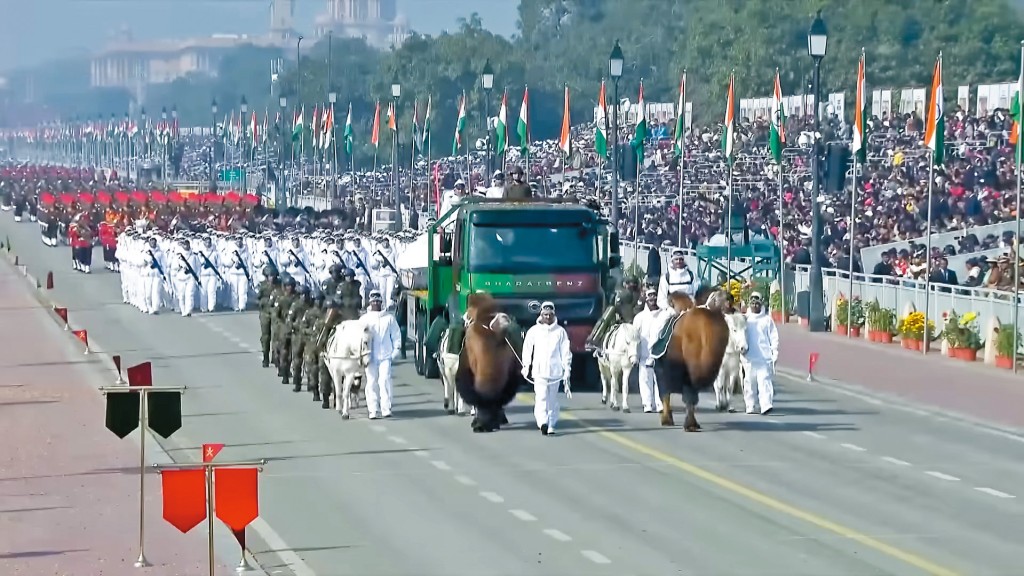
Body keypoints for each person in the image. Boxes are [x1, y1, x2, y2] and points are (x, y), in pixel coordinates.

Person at [520, 301, 572, 436]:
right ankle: (542, 422)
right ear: (541, 314)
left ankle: (551, 423)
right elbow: (527, 349)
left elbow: (565, 352)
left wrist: (567, 369)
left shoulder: (560, 332)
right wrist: (526, 365)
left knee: (552, 399)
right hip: (539, 371)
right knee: (541, 397)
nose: (547, 317)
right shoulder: (534, 331)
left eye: (550, 314)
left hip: (555, 372)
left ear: (553, 314)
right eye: (545, 314)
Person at [362, 289, 402, 419]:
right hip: (370, 357)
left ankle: (386, 408)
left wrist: (395, 352)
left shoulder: (389, 318)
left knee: (384, 381)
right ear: (370, 302)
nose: (375, 304)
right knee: (371, 382)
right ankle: (373, 409)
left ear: (381, 302)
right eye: (373, 302)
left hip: (385, 356)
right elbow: (360, 339)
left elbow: (396, 335)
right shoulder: (364, 319)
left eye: (378, 302)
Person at [586, 276, 643, 355]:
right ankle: (595, 337)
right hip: (631, 318)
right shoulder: (638, 294)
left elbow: (621, 308)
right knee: (610, 310)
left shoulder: (632, 295)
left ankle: (595, 338)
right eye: (630, 283)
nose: (631, 286)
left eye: (632, 283)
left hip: (634, 320)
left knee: (610, 310)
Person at [743, 291, 779, 415]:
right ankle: (750, 405)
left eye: (757, 303)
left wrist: (775, 352)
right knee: (749, 382)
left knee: (764, 381)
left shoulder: (767, 320)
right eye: (752, 303)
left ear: (761, 303)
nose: (755, 305)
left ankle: (766, 405)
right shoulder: (745, 319)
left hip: (764, 357)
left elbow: (774, 337)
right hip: (749, 358)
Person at [632, 288, 666, 413]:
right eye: (650, 296)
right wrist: (635, 354)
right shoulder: (639, 317)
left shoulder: (664, 315)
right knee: (645, 379)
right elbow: (634, 338)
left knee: (659, 381)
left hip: (660, 355)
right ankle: (647, 404)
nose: (652, 298)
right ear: (646, 298)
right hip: (644, 354)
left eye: (654, 295)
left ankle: (660, 404)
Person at [256, 266, 280, 367]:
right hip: (265, 312)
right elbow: (257, 299)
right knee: (266, 336)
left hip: (275, 312)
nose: (271, 278)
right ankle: (265, 355)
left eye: (273, 276)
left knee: (276, 335)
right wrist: (263, 302)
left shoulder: (279, 285)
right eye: (269, 276)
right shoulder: (262, 286)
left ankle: (275, 356)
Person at [171, 238, 200, 317]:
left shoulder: (194, 256)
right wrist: (180, 267)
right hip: (181, 278)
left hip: (191, 277)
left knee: (189, 294)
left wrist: (197, 277)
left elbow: (198, 267)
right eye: (184, 244)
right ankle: (183, 309)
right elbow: (173, 267)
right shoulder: (178, 256)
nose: (186, 246)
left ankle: (188, 310)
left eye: (187, 244)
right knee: (181, 295)